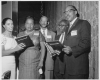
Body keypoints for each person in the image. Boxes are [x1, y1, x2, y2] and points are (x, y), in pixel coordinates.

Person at [62, 5, 91, 79]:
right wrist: (59, 50)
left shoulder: (83, 23)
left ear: (75, 12)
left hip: (78, 69)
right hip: (67, 69)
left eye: (69, 11)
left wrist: (72, 50)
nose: (67, 14)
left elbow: (86, 43)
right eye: (65, 12)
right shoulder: (67, 28)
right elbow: (65, 45)